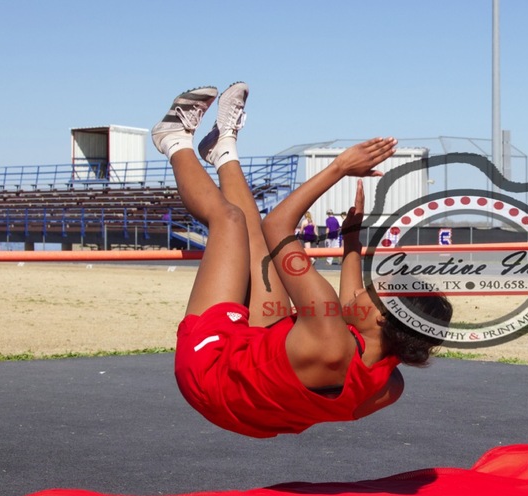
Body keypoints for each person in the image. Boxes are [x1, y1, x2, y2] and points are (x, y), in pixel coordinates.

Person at [151, 83, 452, 438]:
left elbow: (277, 225)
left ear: (382, 316)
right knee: (262, 256)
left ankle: (172, 139)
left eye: (370, 291)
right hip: (250, 408)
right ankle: (223, 149)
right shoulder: (389, 383)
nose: (358, 292)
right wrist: (351, 241)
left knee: (230, 221)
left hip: (207, 374)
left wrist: (340, 167)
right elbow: (352, 317)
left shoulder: (328, 330)